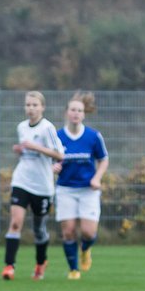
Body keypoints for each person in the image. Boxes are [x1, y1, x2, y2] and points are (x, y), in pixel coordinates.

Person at [2, 91, 64, 281]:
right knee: (15, 222)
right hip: (21, 180)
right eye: (28, 105)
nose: (31, 108)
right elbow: (27, 152)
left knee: (39, 229)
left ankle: (40, 263)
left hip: (43, 186)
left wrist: (35, 147)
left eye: (35, 105)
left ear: (42, 107)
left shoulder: (47, 128)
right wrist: (20, 150)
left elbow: (59, 155)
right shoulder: (21, 127)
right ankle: (9, 266)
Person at [54, 91, 109, 280]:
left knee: (88, 232)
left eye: (79, 110)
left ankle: (85, 250)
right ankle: (73, 269)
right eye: (72, 110)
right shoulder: (57, 136)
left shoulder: (93, 136)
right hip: (65, 189)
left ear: (84, 114)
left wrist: (97, 178)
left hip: (88, 190)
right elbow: (49, 159)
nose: (76, 113)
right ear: (66, 112)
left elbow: (103, 160)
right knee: (68, 231)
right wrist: (53, 167)